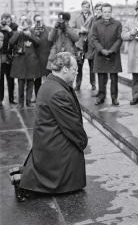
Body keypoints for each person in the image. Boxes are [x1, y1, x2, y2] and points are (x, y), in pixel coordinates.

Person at [11, 52, 88, 201]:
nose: (77, 72)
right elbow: (72, 127)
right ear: (64, 69)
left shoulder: (51, 83)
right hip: (53, 144)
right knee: (73, 155)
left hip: (46, 139)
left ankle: (25, 176)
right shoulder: (58, 91)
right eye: (74, 69)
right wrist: (82, 142)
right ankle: (24, 184)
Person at [90, 3, 122, 106]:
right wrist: (101, 50)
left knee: (114, 78)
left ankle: (114, 98)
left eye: (109, 12)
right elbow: (94, 39)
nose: (107, 14)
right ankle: (101, 97)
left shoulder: (117, 24)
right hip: (100, 54)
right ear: (101, 12)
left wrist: (112, 50)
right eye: (105, 12)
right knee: (101, 77)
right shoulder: (96, 24)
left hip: (113, 55)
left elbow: (119, 38)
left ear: (111, 12)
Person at [9, 15, 41, 109]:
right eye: (23, 24)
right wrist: (19, 33)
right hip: (20, 61)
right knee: (21, 83)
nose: (25, 26)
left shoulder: (33, 32)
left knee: (31, 82)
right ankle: (20, 102)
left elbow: (38, 43)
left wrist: (30, 35)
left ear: (30, 25)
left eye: (26, 24)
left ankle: (28, 101)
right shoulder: (18, 32)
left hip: (31, 61)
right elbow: (11, 42)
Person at [71, 0, 93, 91]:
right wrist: (79, 30)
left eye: (87, 7)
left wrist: (88, 31)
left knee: (92, 66)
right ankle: (78, 84)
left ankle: (93, 84)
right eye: (84, 7)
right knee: (79, 65)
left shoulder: (93, 17)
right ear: (81, 7)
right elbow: (72, 28)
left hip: (90, 43)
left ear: (89, 8)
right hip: (79, 44)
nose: (85, 9)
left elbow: (95, 29)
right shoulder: (76, 17)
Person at [82, 2, 103, 94]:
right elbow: (88, 30)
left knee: (100, 70)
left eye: (100, 10)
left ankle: (101, 90)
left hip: (100, 48)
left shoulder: (103, 20)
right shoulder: (92, 19)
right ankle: (94, 85)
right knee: (92, 68)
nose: (98, 11)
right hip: (91, 48)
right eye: (97, 9)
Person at [31, 14, 51, 97]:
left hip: (47, 58)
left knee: (49, 80)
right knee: (37, 80)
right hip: (37, 58)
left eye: (40, 20)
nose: (39, 22)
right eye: (37, 21)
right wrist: (35, 35)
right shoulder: (31, 30)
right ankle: (38, 97)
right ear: (34, 21)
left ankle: (49, 96)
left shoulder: (49, 29)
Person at [0, 13, 17, 107]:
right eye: (3, 19)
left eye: (7, 20)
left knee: (10, 79)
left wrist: (9, 30)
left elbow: (15, 40)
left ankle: (11, 99)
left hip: (10, 56)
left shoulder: (14, 28)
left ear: (10, 20)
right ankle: (0, 100)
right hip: (1, 56)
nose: (5, 21)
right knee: (0, 79)